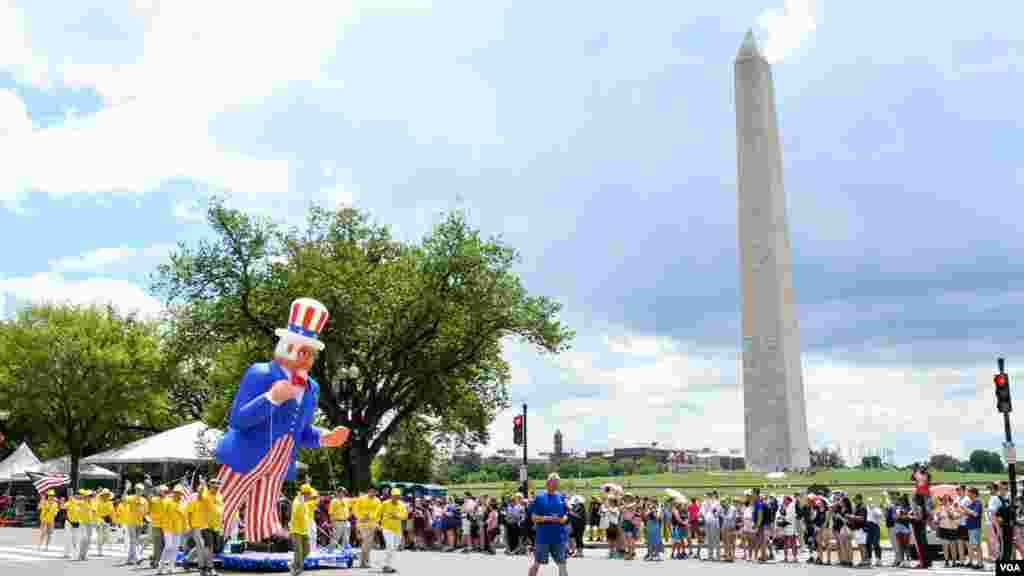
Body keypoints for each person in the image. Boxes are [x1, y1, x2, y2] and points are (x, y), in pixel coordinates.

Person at [213, 298, 351, 541]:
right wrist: (271, 398)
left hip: (281, 459)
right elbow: (238, 419)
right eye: (299, 348)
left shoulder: (312, 388)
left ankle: (263, 533)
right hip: (248, 452)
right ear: (285, 345)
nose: (303, 356)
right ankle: (208, 534)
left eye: (309, 351)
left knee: (266, 499)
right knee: (225, 496)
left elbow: (302, 430)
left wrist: (325, 438)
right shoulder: (261, 373)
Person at [527, 473, 568, 576]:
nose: (555, 485)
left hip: (559, 537)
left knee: (562, 564)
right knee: (537, 563)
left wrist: (564, 519)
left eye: (557, 483)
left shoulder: (560, 497)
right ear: (547, 482)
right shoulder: (540, 497)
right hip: (543, 537)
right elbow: (533, 518)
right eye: (553, 482)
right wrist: (549, 518)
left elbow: (565, 515)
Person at [158, 486, 189, 576]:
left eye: (180, 493)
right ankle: (161, 566)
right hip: (167, 528)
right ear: (174, 492)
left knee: (175, 549)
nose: (178, 495)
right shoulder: (167, 501)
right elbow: (162, 514)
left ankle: (171, 568)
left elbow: (184, 518)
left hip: (178, 529)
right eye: (176, 492)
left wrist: (185, 528)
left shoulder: (183, 504)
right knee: (168, 546)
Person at [288, 484, 318, 576]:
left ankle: (293, 564)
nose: (311, 496)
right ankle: (296, 570)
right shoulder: (298, 501)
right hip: (296, 531)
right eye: (309, 494)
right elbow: (297, 513)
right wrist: (302, 503)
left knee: (307, 550)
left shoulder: (304, 501)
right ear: (305, 493)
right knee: (299, 551)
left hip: (303, 530)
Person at [379, 488, 408, 573]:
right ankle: (386, 566)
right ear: (391, 496)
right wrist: (377, 524)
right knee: (390, 546)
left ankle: (388, 565)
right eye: (395, 496)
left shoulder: (402, 504)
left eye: (398, 496)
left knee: (394, 548)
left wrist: (399, 516)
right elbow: (378, 513)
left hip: (397, 530)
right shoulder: (385, 503)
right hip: (387, 528)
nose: (396, 497)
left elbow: (405, 515)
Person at [354, 486, 382, 569]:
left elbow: (379, 513)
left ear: (376, 492)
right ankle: (363, 561)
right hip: (362, 523)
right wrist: (361, 517)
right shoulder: (361, 499)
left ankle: (365, 561)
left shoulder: (377, 501)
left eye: (374, 491)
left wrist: (375, 522)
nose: (372, 493)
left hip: (372, 524)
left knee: (369, 543)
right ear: (368, 491)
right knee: (366, 542)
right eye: (371, 491)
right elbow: (355, 510)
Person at [961, 486, 983, 569]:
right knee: (975, 545)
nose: (967, 494)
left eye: (969, 492)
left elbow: (975, 514)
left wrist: (965, 508)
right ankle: (978, 563)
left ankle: (980, 563)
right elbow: (968, 513)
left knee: (976, 545)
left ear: (974, 493)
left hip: (975, 527)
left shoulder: (978, 502)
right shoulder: (972, 502)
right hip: (971, 527)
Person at [149, 485, 170, 568]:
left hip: (166, 525)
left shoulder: (168, 500)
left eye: (165, 491)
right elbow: (149, 506)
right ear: (159, 491)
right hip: (156, 524)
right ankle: (156, 561)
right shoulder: (153, 499)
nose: (163, 492)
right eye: (162, 491)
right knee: (157, 544)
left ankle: (161, 560)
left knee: (165, 544)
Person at [77, 489, 97, 561]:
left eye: (90, 496)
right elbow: (76, 507)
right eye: (88, 496)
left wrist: (95, 521)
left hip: (90, 523)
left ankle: (84, 555)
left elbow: (94, 512)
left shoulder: (93, 503)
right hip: (83, 522)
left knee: (88, 540)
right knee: (83, 538)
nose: (89, 497)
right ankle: (80, 554)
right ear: (85, 496)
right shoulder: (81, 502)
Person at [329, 488, 352, 552]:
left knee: (346, 538)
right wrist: (332, 522)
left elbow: (351, 507)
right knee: (336, 538)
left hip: (346, 521)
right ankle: (330, 551)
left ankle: (343, 551)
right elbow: (331, 513)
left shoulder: (346, 500)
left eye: (344, 492)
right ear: (338, 493)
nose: (343, 494)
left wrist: (349, 514)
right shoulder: (334, 501)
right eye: (341, 492)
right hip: (337, 521)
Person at [94, 489, 115, 557]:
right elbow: (95, 511)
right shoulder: (98, 502)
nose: (106, 496)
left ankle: (98, 544)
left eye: (107, 494)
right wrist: (96, 521)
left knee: (106, 537)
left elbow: (112, 512)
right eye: (105, 494)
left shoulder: (110, 502)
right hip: (99, 519)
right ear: (102, 495)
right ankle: (99, 551)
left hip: (107, 520)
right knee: (100, 536)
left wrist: (114, 521)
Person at [62, 492, 81, 559]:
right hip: (69, 522)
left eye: (79, 495)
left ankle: (76, 554)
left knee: (75, 539)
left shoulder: (81, 503)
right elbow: (63, 509)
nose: (77, 496)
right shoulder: (69, 502)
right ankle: (66, 553)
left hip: (77, 523)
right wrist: (62, 501)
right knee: (67, 537)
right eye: (76, 495)